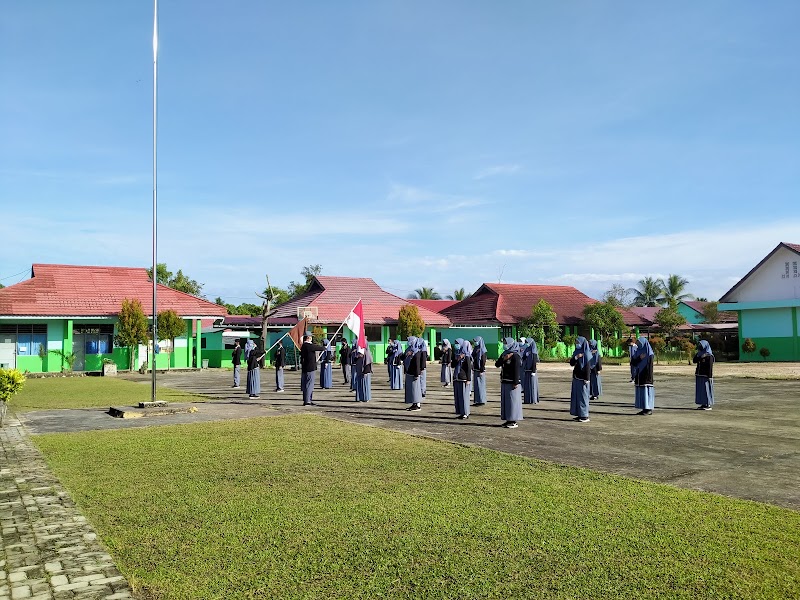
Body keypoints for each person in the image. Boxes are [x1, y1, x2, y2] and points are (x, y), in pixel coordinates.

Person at [496, 337, 523, 428]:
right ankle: (508, 419)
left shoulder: (516, 355)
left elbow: (517, 370)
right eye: (503, 342)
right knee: (506, 401)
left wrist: (516, 382)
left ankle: (513, 421)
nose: (504, 345)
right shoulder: (505, 354)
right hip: (505, 381)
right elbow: (497, 364)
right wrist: (504, 358)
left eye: (506, 343)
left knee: (513, 401)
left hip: (512, 382)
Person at [630, 336, 655, 415]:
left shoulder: (649, 354)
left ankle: (648, 409)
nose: (639, 345)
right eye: (638, 344)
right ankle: (643, 408)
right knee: (641, 392)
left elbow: (650, 367)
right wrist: (640, 358)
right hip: (639, 375)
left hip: (646, 376)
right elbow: (633, 362)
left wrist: (648, 377)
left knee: (646, 392)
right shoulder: (638, 352)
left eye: (640, 344)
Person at [569, 336, 591, 422]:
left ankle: (584, 416)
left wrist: (587, 378)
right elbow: (571, 363)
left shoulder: (587, 353)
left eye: (578, 342)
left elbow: (588, 367)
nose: (577, 344)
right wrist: (576, 357)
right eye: (576, 343)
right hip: (576, 377)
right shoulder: (577, 352)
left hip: (583, 378)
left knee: (583, 397)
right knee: (576, 396)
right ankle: (579, 414)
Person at [300, 334, 326, 406]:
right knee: (309, 385)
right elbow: (318, 347)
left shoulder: (303, 346)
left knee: (306, 385)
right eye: (310, 337)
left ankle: (306, 399)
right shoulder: (308, 346)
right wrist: (324, 348)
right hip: (310, 368)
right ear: (308, 338)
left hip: (305, 368)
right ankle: (307, 401)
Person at [452, 339, 473, 419]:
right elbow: (453, 365)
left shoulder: (466, 356)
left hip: (463, 379)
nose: (456, 345)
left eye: (457, 343)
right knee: (458, 396)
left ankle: (465, 413)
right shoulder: (456, 354)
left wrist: (468, 379)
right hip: (457, 378)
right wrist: (457, 359)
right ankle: (461, 412)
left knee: (464, 397)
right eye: (455, 343)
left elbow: (468, 368)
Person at [693, 339, 715, 410]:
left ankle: (708, 404)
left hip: (706, 376)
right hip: (699, 375)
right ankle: (702, 404)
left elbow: (710, 367)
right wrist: (699, 354)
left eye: (701, 345)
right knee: (701, 391)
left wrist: (709, 376)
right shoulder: (700, 354)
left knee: (707, 390)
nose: (700, 346)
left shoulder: (709, 356)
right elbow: (694, 360)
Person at [404, 336, 423, 411]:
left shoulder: (417, 352)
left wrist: (417, 374)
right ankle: (413, 404)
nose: (408, 342)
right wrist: (407, 354)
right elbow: (403, 357)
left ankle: (417, 405)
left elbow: (417, 365)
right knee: (412, 390)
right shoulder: (409, 350)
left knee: (416, 389)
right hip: (409, 372)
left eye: (409, 341)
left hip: (414, 373)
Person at [521, 338, 539, 404]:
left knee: (532, 386)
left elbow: (534, 361)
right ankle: (527, 399)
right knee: (527, 386)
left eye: (527, 342)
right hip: (526, 369)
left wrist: (533, 371)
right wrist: (525, 356)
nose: (526, 343)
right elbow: (523, 358)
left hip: (532, 370)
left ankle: (533, 400)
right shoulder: (527, 349)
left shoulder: (534, 350)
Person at [471, 336, 488, 406]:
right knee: (476, 386)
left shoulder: (483, 350)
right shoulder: (476, 349)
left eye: (476, 341)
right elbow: (472, 356)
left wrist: (481, 370)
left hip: (480, 370)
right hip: (475, 369)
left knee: (480, 385)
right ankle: (477, 400)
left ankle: (482, 400)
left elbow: (483, 360)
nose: (475, 342)